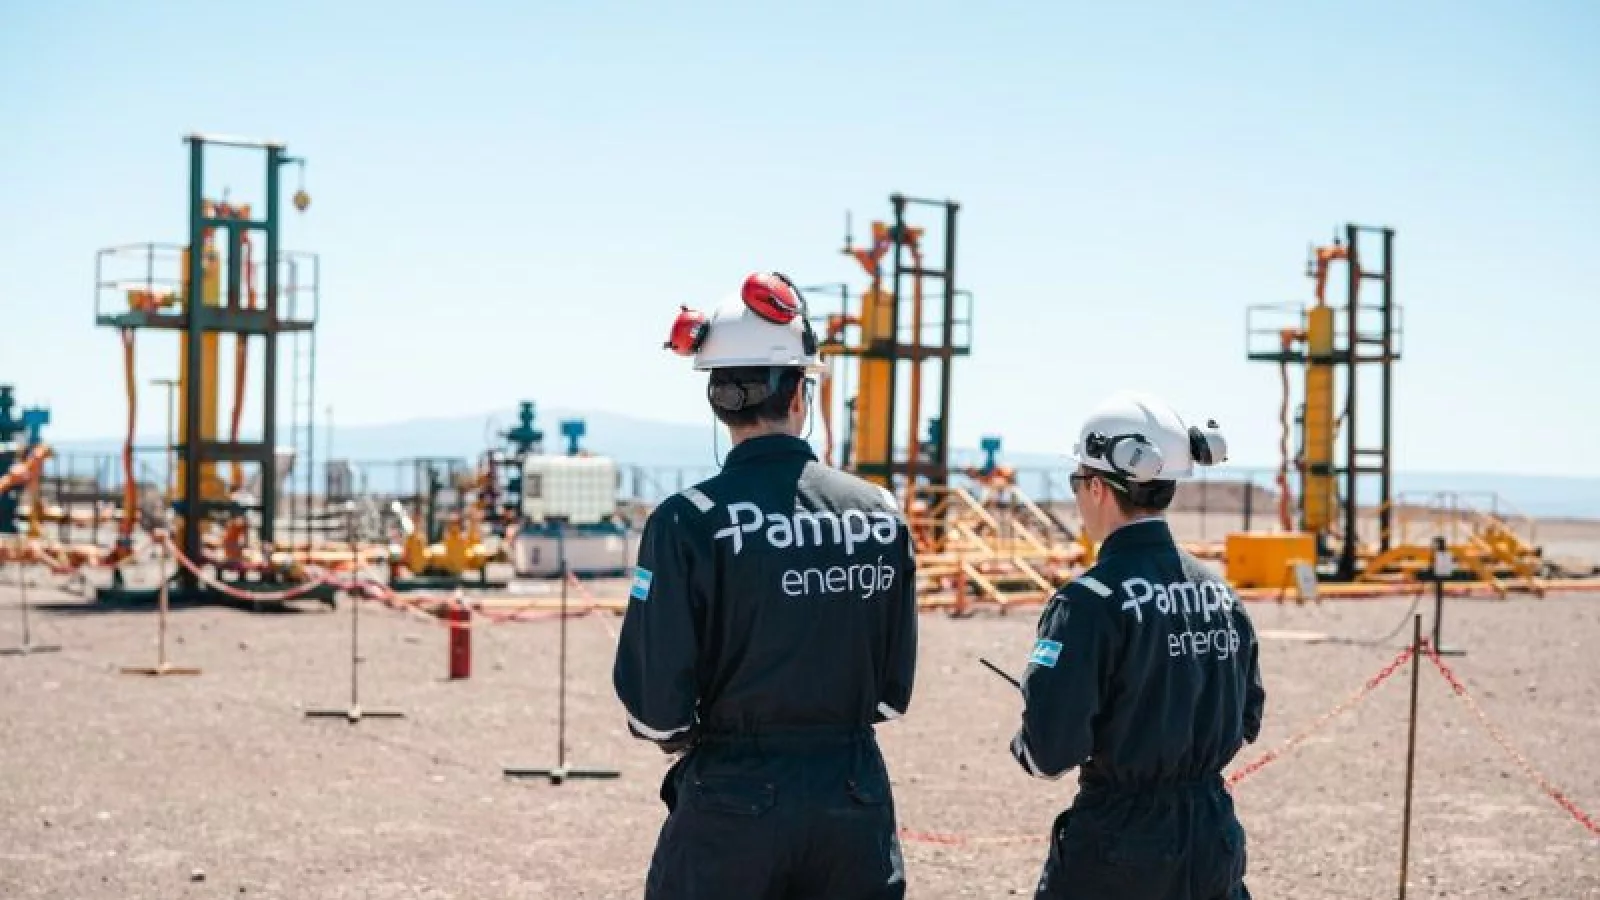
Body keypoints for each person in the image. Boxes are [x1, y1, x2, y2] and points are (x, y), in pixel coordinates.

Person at [614, 271, 919, 900]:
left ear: (716, 398)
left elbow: (655, 711)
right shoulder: (880, 513)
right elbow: (891, 697)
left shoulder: (688, 520)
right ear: (800, 392)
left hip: (733, 799)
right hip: (851, 796)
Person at [1008, 390, 1266, 900]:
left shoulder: (1089, 602)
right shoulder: (1220, 593)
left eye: (1077, 480)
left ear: (1099, 487)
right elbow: (1248, 719)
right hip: (1212, 837)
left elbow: (1049, 752)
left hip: (1120, 847)